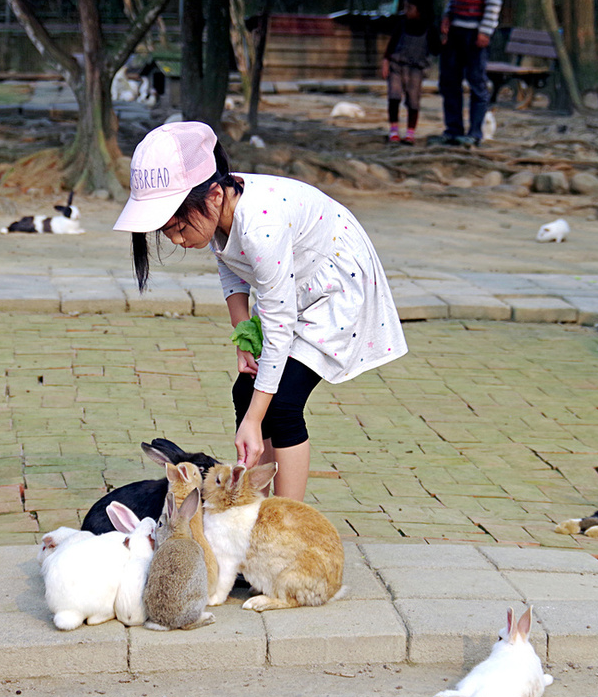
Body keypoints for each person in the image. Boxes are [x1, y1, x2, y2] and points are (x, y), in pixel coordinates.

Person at [114, 122, 408, 501]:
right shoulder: (216, 208)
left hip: (333, 287)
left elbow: (280, 326)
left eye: (178, 226)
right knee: (246, 389)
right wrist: (244, 338)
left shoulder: (259, 227)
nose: (175, 239)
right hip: (291, 287)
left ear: (214, 195)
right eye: (165, 231)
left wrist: (253, 422)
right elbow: (230, 267)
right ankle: (257, 505)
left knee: (282, 403)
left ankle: (287, 523)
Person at [435, 0, 507, 147]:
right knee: (449, 80)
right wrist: (448, 15)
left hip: (475, 30)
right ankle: (453, 129)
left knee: (476, 82)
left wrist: (486, 29)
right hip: (456, 26)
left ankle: (475, 133)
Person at [382, 0, 441, 145]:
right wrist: (386, 61)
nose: (405, 11)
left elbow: (436, 49)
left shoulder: (430, 29)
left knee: (413, 100)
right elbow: (392, 44)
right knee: (394, 96)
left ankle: (410, 133)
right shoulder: (402, 25)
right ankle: (394, 130)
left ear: (420, 10)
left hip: (416, 69)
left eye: (409, 8)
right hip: (397, 65)